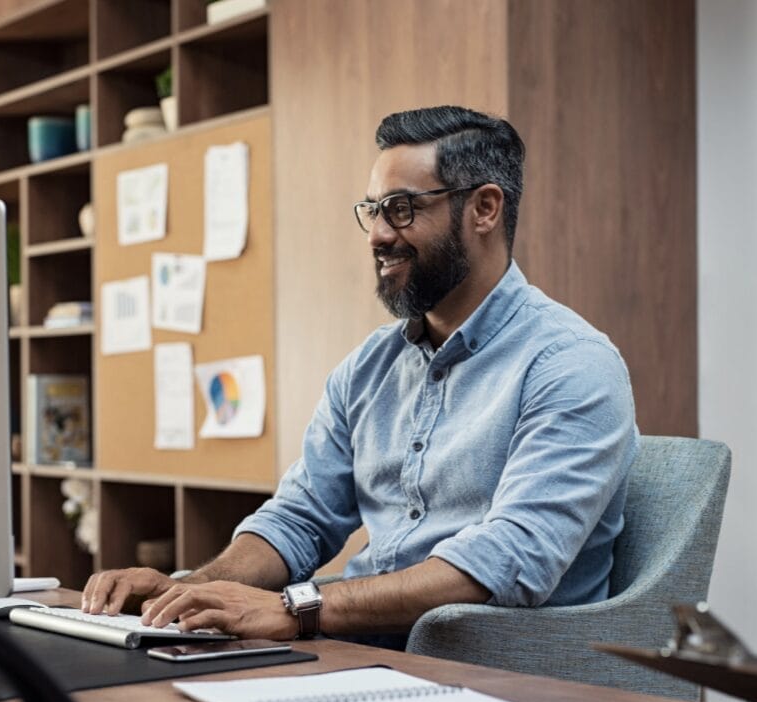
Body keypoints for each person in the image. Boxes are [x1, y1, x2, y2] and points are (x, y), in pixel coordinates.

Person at [82, 105, 638, 646]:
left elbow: (507, 561)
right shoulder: (368, 368)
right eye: (371, 210)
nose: (376, 234)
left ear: (485, 209)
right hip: (360, 651)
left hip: (496, 676)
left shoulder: (571, 364)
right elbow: (301, 518)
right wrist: (190, 591)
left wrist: (297, 609)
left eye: (400, 208)